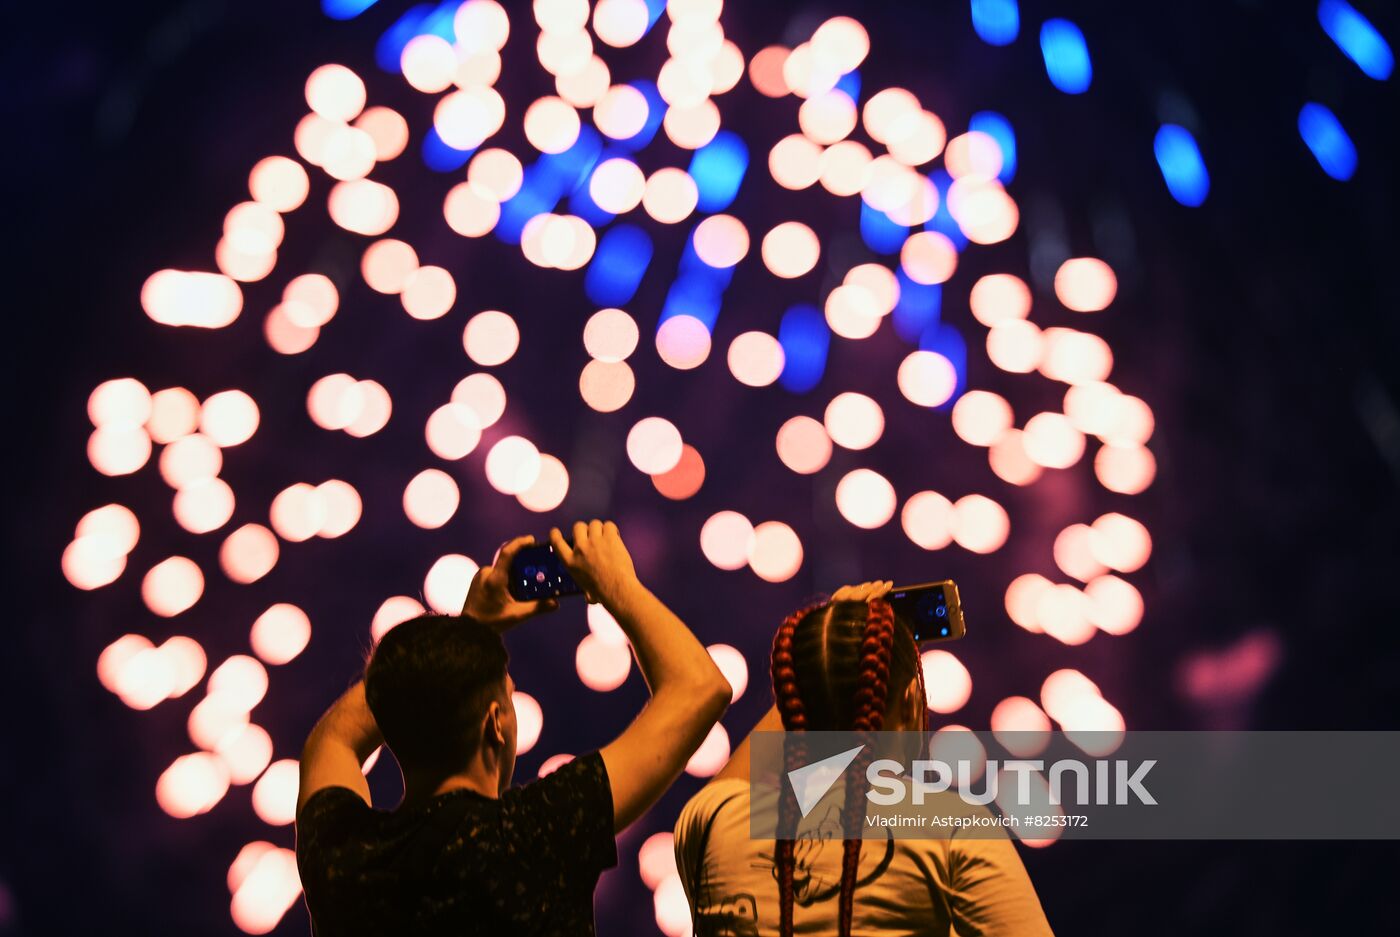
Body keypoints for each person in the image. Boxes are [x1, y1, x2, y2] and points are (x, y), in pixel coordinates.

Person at [295, 520, 732, 936]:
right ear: (496, 724)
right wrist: (617, 584)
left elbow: (333, 738)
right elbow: (701, 688)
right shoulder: (527, 838)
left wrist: (463, 638)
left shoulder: (343, 857)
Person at [674, 581, 1054, 937]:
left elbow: (742, 776)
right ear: (910, 700)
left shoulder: (711, 821)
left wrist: (822, 664)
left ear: (793, 701)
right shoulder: (952, 827)